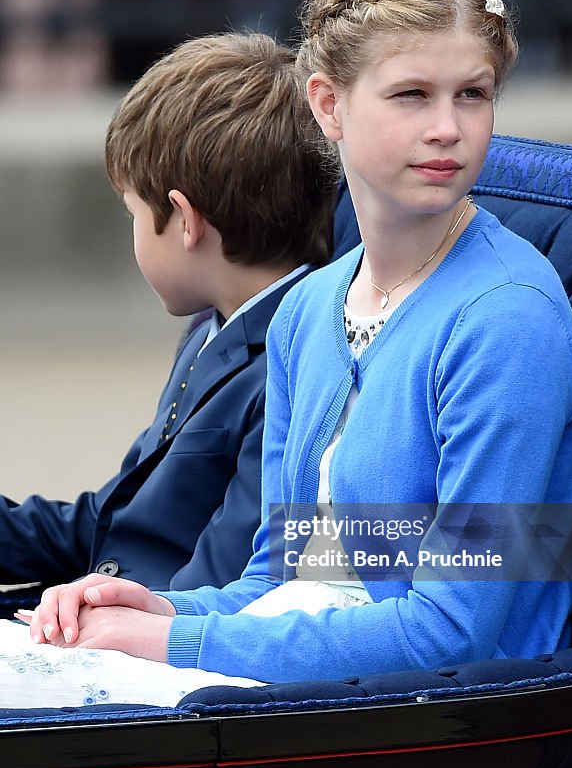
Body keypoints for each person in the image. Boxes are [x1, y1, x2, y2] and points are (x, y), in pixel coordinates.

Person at [16, 0, 572, 702]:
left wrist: (172, 638)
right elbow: (280, 574)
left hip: (441, 726)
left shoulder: (504, 321)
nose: (448, 129)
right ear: (327, 104)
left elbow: (451, 630)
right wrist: (147, 608)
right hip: (310, 691)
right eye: (410, 94)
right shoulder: (307, 307)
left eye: (473, 94)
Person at [0, 31, 337, 599]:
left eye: (132, 210)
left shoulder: (294, 362)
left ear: (185, 220)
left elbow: (216, 587)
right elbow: (111, 523)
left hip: (151, 646)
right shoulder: (210, 330)